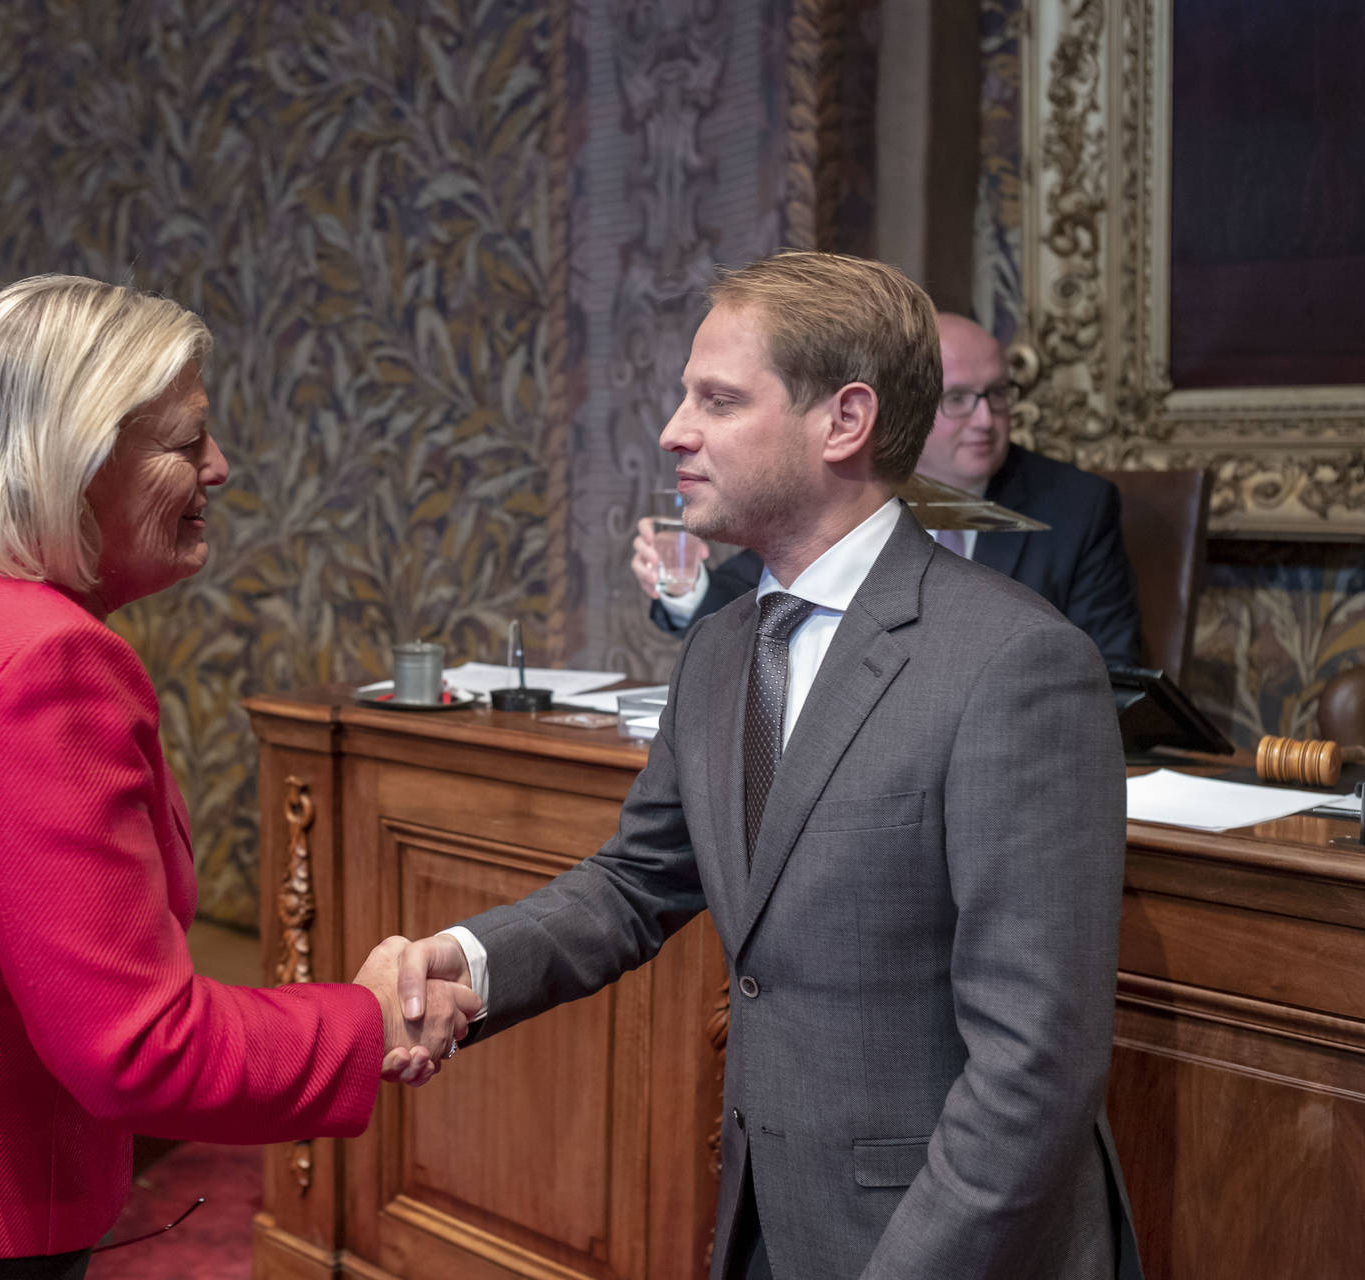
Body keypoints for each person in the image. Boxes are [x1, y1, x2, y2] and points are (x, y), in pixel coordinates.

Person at [0, 276, 476, 1279]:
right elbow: (138, 1046)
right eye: (188, 441)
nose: (220, 467)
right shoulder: (45, 667)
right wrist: (364, 1022)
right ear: (78, 454)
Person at [396, 253, 1139, 1279]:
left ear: (843, 421)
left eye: (717, 398)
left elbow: (1035, 1069)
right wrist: (469, 961)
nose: (673, 430)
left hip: (941, 1245)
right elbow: (635, 880)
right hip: (764, 1218)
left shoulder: (1016, 663)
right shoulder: (722, 645)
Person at [633, 312, 1143, 666]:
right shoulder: (854, 484)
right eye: (960, 398)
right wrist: (683, 581)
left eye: (998, 395)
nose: (986, 419)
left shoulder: (1076, 504)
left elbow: (1111, 669)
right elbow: (738, 600)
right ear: (910, 407)